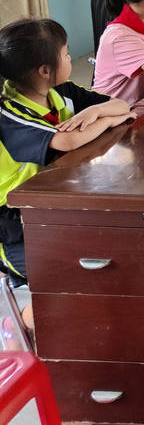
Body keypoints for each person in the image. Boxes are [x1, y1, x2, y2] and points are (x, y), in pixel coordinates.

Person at [0, 18, 134, 289]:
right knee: (74, 275)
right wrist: (106, 121)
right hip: (15, 223)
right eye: (66, 54)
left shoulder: (62, 91)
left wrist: (96, 110)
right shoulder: (8, 111)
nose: (70, 58)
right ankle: (26, 314)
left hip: (57, 200)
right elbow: (68, 140)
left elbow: (121, 105)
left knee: (118, 249)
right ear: (45, 70)